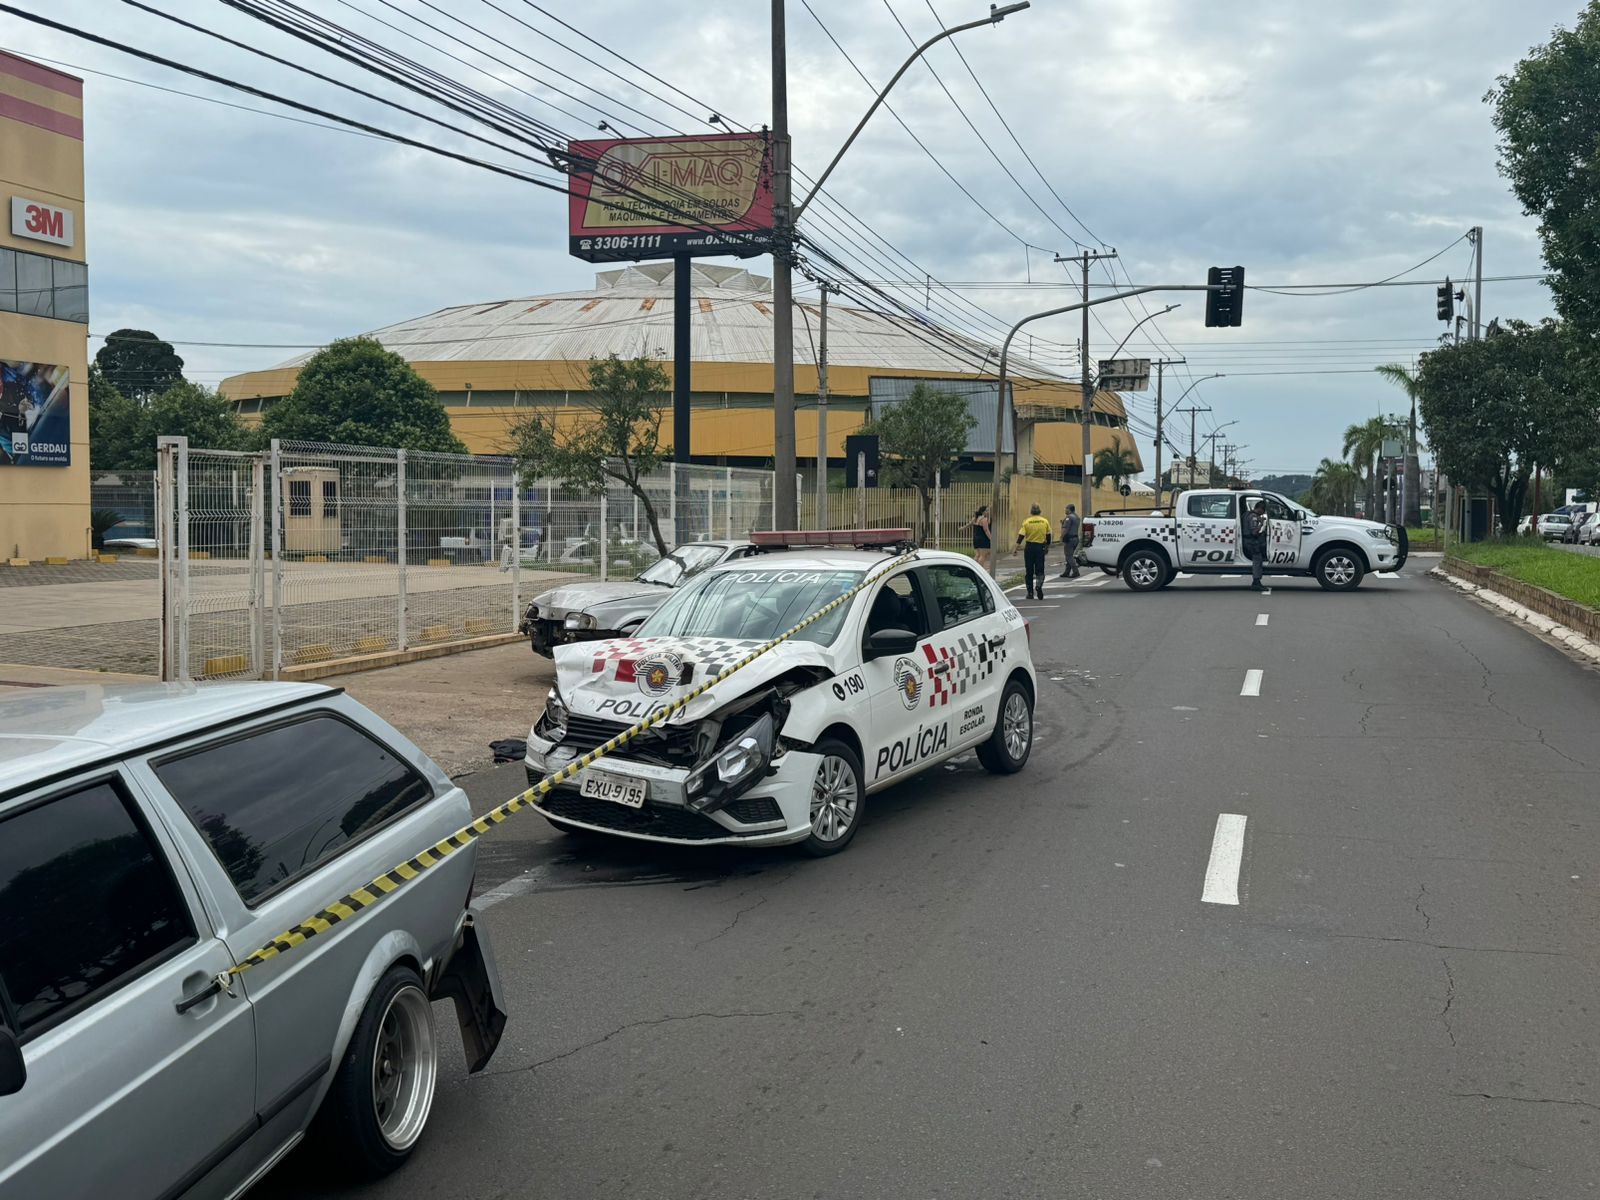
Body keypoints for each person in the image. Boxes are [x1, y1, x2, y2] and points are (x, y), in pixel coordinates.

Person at [1015, 503, 1052, 599]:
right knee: (1040, 569)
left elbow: (1021, 536)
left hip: (1029, 548)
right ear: (1040, 511)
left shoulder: (1027, 522)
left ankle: (1030, 593)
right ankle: (1039, 585)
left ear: (1031, 511)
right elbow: (1048, 536)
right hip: (1040, 547)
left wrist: (1015, 548)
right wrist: (1047, 546)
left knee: (1029, 570)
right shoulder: (1044, 521)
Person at [1242, 499, 1269, 590]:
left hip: (1247, 540)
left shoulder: (1247, 514)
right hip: (1250, 542)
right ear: (1260, 509)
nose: (1262, 513)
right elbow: (1254, 532)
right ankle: (1256, 582)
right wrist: (1261, 523)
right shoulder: (1253, 517)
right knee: (1258, 558)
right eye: (1263, 511)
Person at [1058, 503, 1081, 579]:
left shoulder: (1068, 518)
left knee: (1069, 556)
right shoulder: (1077, 517)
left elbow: (1065, 529)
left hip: (1069, 539)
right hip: (1075, 538)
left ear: (1069, 509)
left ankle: (1075, 571)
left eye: (1066, 509)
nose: (1065, 510)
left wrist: (1061, 537)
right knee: (1069, 555)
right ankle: (1067, 572)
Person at [966, 505, 992, 570]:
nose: (988, 512)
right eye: (986, 510)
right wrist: (991, 538)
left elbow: (969, 524)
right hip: (983, 538)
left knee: (978, 555)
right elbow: (986, 530)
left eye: (988, 510)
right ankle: (980, 570)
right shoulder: (983, 519)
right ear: (983, 512)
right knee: (983, 555)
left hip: (976, 538)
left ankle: (973, 568)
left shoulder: (975, 518)